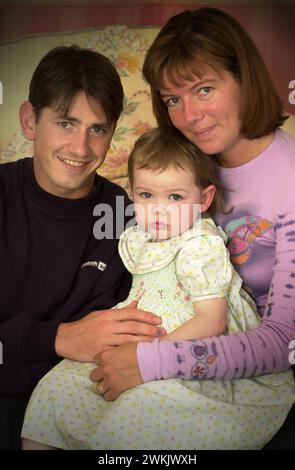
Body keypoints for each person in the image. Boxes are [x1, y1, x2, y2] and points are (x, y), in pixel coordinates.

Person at [88, 7, 295, 449]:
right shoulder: (179, 171)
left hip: (260, 373)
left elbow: (282, 345)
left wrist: (151, 360)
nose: (189, 116)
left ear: (245, 80)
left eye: (204, 89)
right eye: (172, 99)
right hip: (182, 345)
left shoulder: (290, 180)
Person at [22, 126, 295, 450]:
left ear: (203, 199)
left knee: (141, 412)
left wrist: (149, 355)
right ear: (133, 191)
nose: (159, 209)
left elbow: (212, 321)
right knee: (55, 390)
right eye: (147, 195)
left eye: (176, 197)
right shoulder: (139, 235)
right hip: (141, 338)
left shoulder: (200, 243)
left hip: (187, 345)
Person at [0, 45, 166, 450]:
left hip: (79, 406)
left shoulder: (128, 217)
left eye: (98, 129)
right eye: (65, 123)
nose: (80, 148)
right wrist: (56, 338)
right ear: (29, 121)